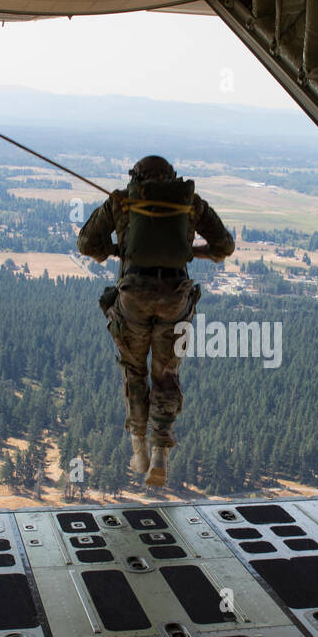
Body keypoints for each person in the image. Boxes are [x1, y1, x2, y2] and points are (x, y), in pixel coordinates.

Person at [77, 155, 234, 486]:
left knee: (134, 370)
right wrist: (192, 252)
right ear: (171, 177)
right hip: (175, 297)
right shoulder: (191, 204)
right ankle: (161, 452)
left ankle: (138, 448)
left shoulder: (121, 201)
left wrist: (119, 250)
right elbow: (224, 246)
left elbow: (87, 243)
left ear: (137, 177)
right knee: (166, 373)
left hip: (133, 297)